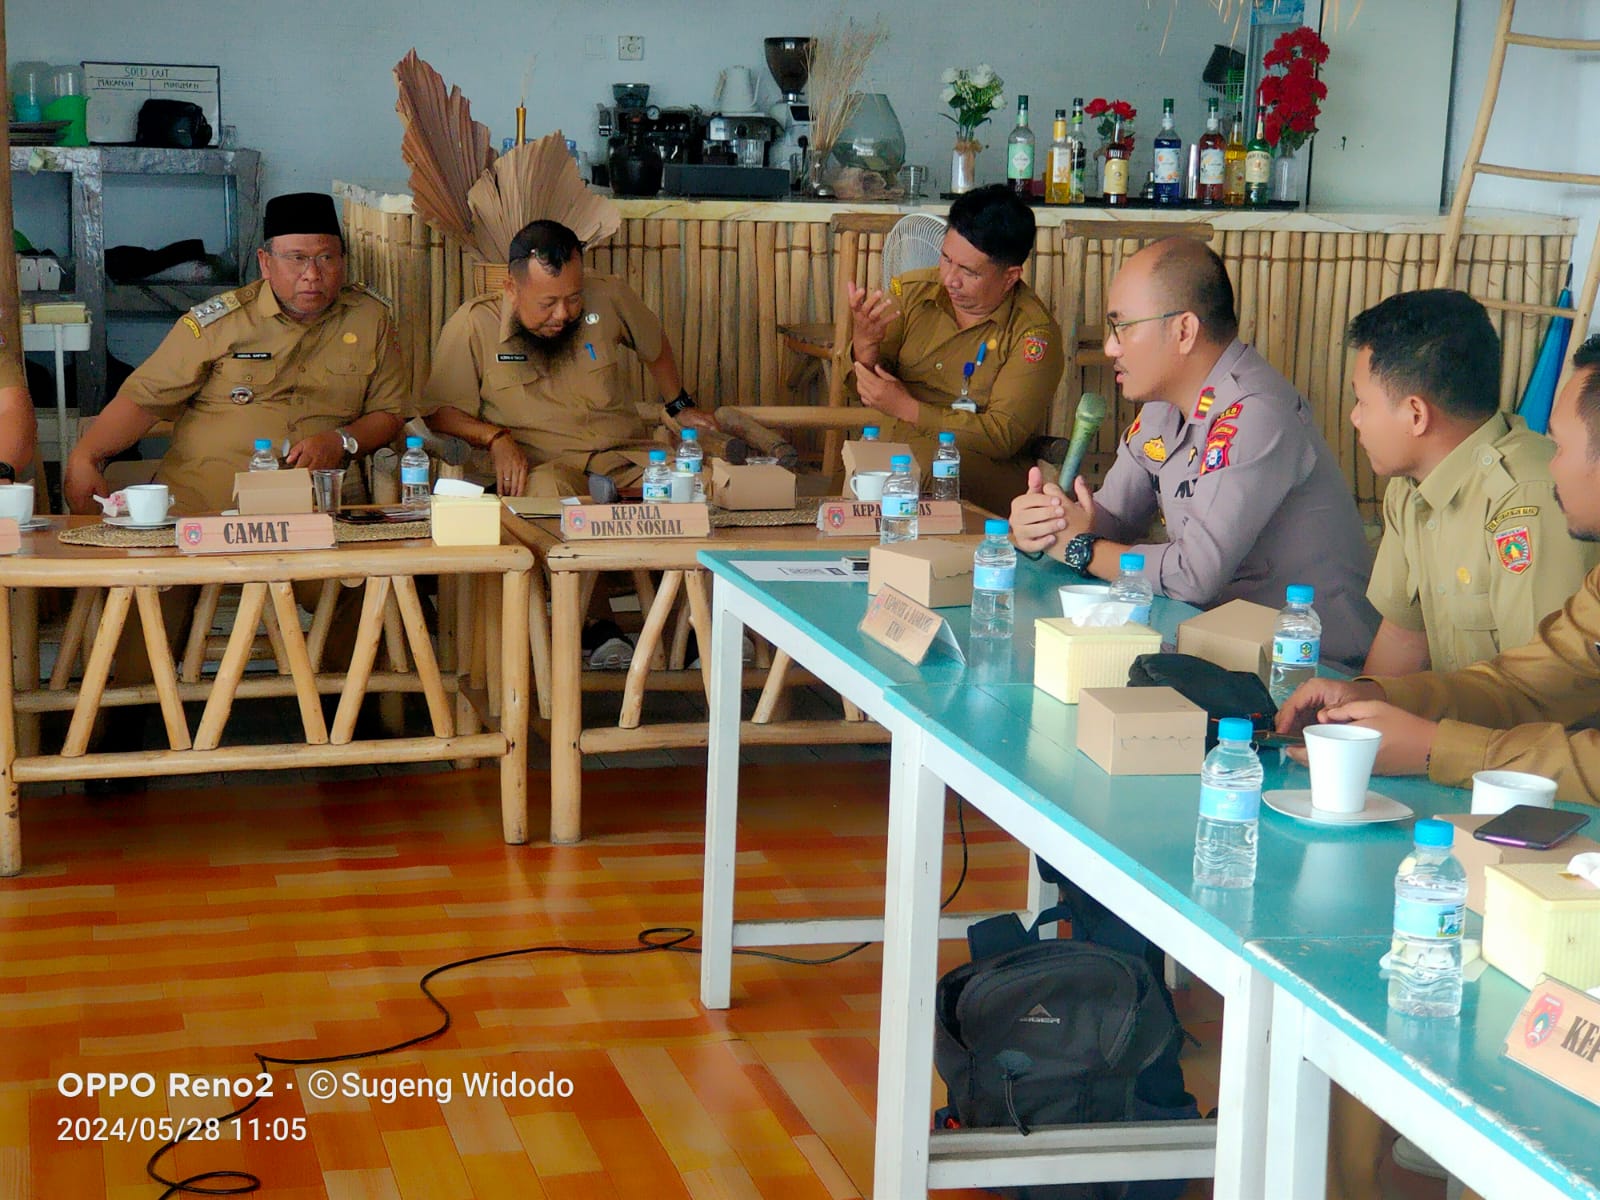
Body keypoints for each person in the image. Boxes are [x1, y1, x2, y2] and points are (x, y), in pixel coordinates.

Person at [1008, 236, 1378, 667]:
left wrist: (1082, 549)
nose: (1111, 347)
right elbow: (1113, 521)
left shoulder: (1256, 413)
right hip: (1222, 643)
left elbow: (1193, 575)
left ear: (1183, 330)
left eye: (1122, 326)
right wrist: (1050, 522)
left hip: (1309, 666)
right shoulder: (1161, 408)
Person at [1277, 334, 1600, 804]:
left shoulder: (1523, 496)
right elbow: (1528, 683)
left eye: (1559, 447)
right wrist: (1377, 699)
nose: (1550, 466)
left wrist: (1435, 748)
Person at [65, 192, 405, 515]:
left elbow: (389, 412)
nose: (312, 275)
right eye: (297, 259)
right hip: (205, 511)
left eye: (326, 258)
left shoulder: (370, 318)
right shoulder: (220, 324)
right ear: (265, 263)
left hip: (322, 510)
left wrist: (342, 440)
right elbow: (143, 400)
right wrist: (86, 457)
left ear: (343, 261)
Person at [1349, 289, 1595, 676]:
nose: (1355, 418)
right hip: (1461, 725)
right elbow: (1404, 637)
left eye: (1362, 401)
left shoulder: (1528, 499)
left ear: (1416, 414)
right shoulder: (1409, 488)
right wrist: (1346, 723)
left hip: (1520, 731)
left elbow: (1545, 692)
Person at [421, 218, 707, 498]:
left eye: (573, 298)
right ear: (512, 290)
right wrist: (495, 437)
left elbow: (654, 344)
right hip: (547, 471)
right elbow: (439, 413)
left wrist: (678, 405)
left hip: (625, 461)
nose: (562, 314)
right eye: (548, 304)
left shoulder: (608, 294)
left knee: (706, 486)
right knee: (549, 496)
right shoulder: (475, 324)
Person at [845, 184, 1064, 514]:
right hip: (897, 452)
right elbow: (862, 386)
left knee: (919, 472)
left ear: (1010, 277)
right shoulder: (914, 291)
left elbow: (1001, 436)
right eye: (946, 259)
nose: (949, 279)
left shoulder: (1033, 333)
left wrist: (907, 408)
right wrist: (865, 347)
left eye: (969, 271)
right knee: (859, 476)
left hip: (980, 469)